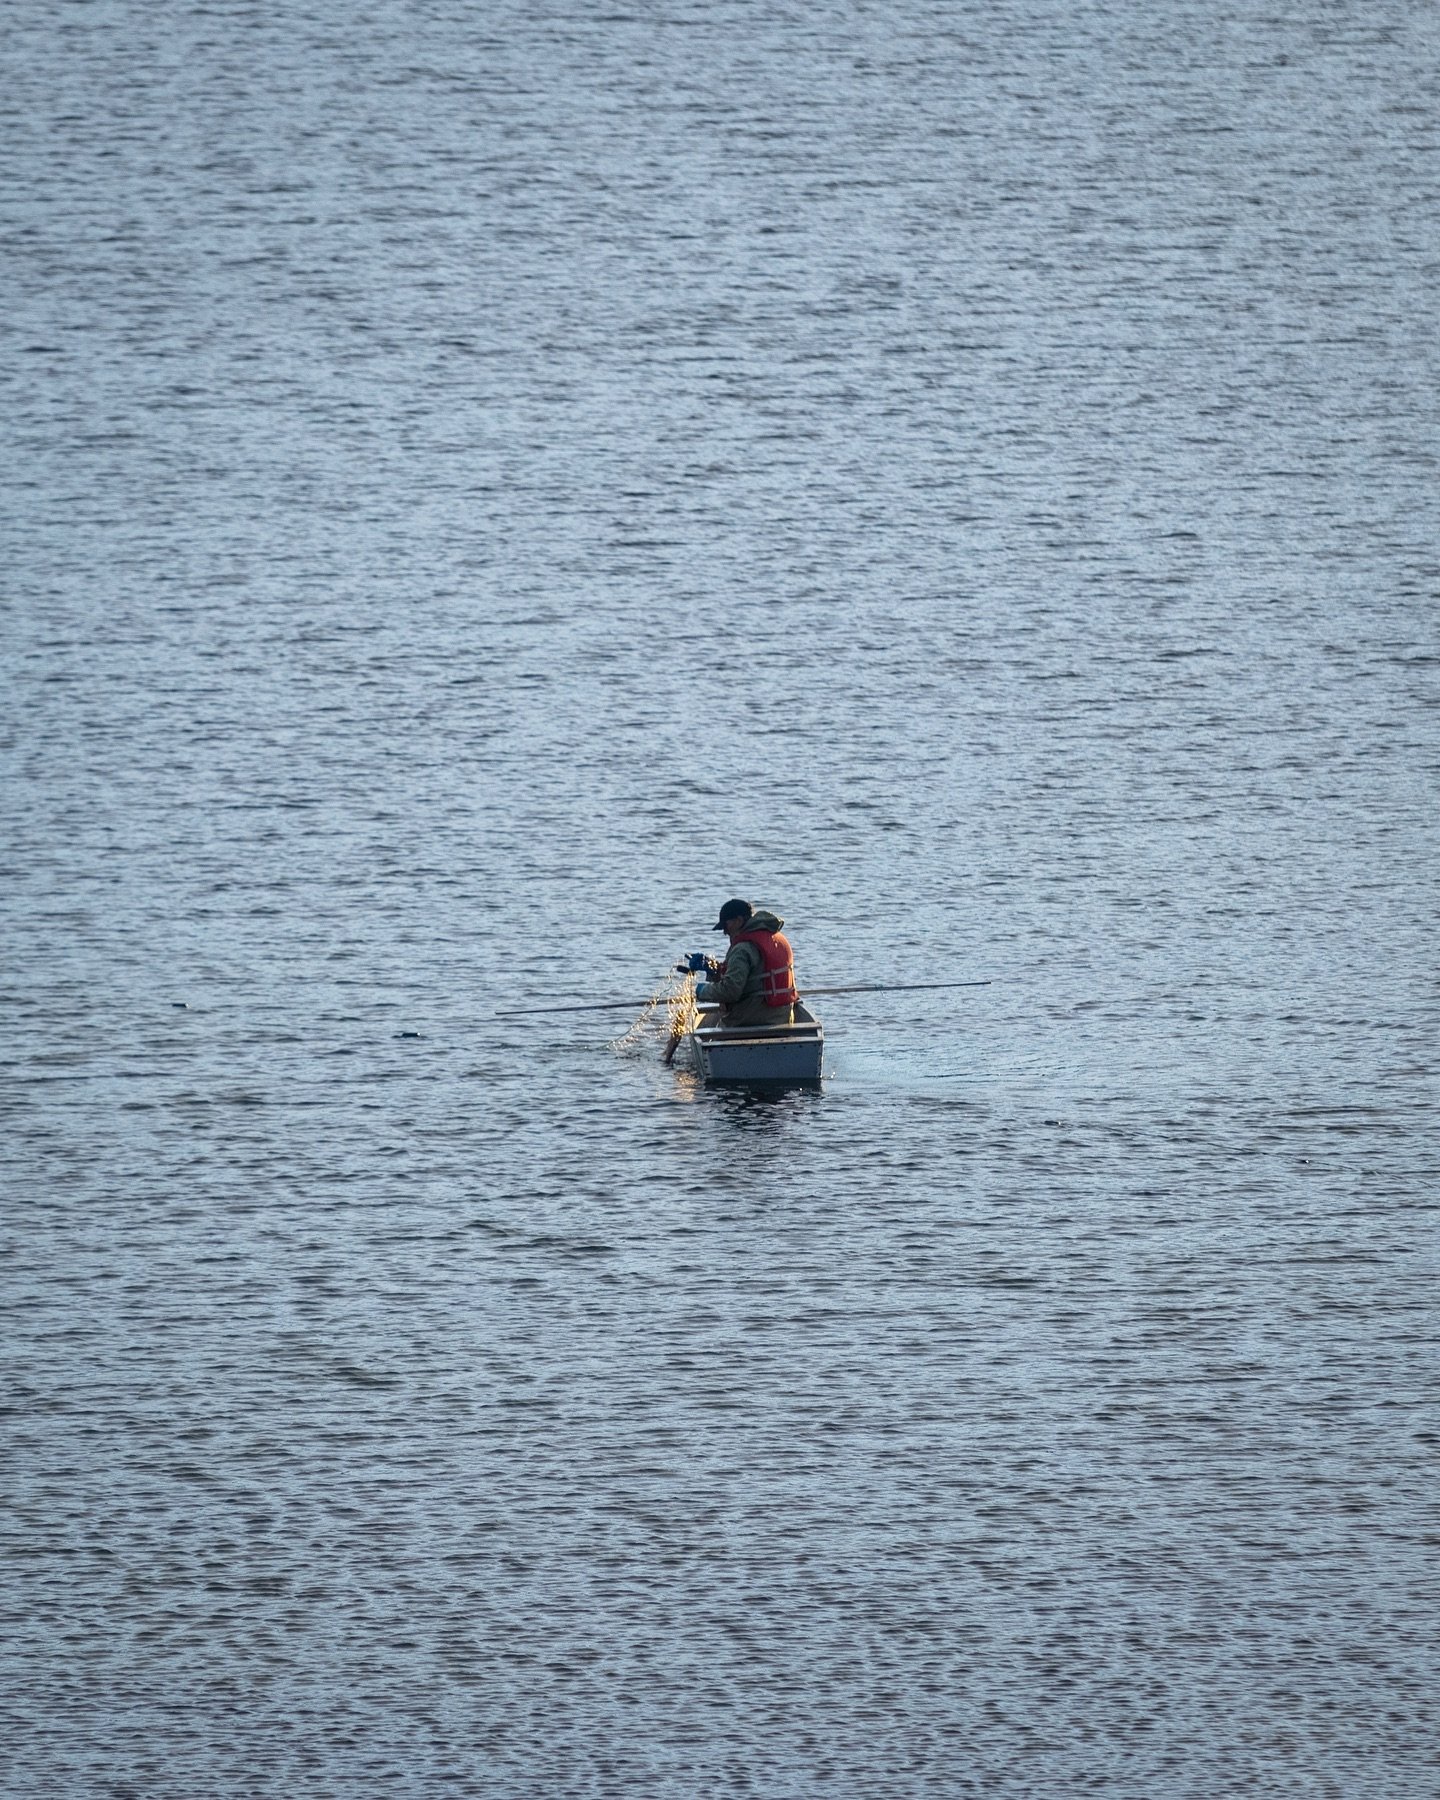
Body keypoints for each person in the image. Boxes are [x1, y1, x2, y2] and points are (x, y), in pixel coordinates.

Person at [680, 898, 799, 1028]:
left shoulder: (742, 949)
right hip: (783, 1018)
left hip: (751, 1019)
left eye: (725, 925)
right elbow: (753, 978)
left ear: (739, 921)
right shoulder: (775, 937)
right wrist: (713, 969)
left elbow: (730, 991)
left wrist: (699, 991)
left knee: (707, 1025)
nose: (725, 932)